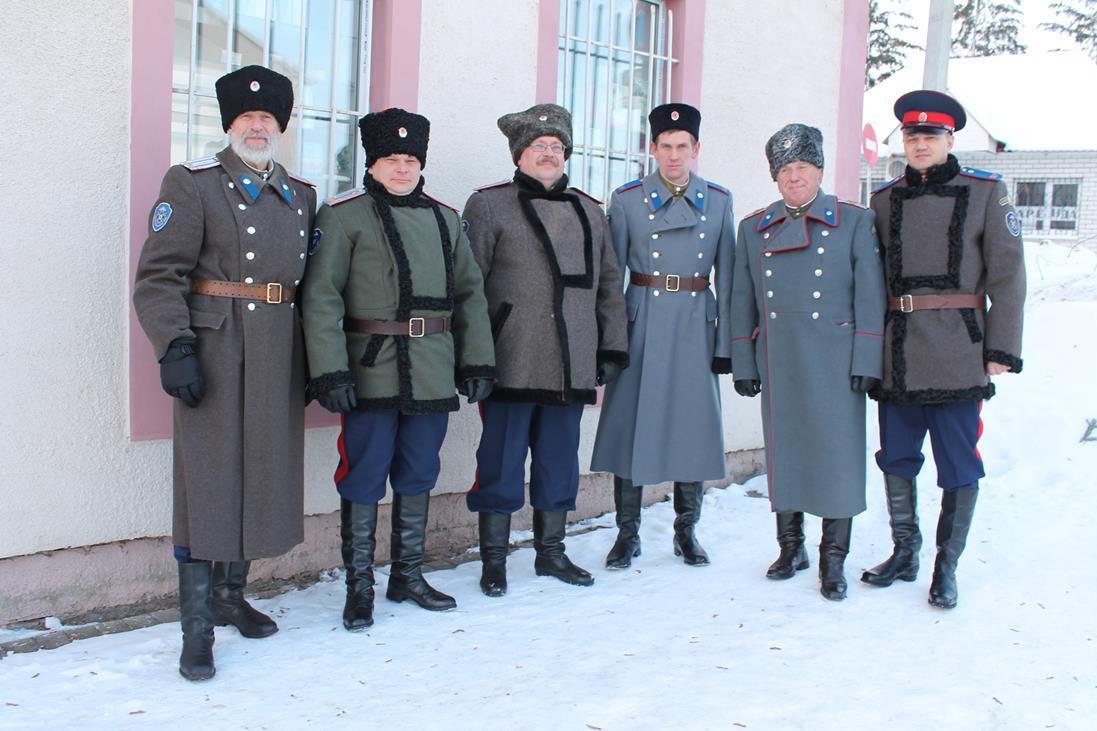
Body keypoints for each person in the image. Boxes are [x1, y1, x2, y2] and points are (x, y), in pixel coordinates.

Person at [133, 65, 316, 680]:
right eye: (246, 117)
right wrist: (174, 346)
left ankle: (230, 597)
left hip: (278, 352)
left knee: (261, 475)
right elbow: (159, 276)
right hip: (212, 350)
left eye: (267, 118)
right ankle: (196, 628)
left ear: (281, 127)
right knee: (206, 484)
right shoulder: (192, 183)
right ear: (229, 124)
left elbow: (312, 287)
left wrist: (317, 360)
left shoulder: (301, 194)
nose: (256, 126)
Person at [300, 108, 495, 629]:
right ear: (372, 163)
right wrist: (330, 371)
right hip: (371, 370)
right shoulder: (344, 216)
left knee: (419, 471)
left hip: (431, 368)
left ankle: (407, 574)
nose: (402, 168)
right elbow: (320, 298)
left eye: (410, 159)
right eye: (391, 159)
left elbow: (470, 295)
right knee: (364, 474)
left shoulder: (445, 219)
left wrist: (476, 360)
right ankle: (359, 585)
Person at [862, 90, 1025, 609]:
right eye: (912, 136)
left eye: (930, 136)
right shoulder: (882, 200)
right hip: (899, 350)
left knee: (958, 463)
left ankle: (946, 566)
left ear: (949, 139)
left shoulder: (986, 193)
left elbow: (1009, 277)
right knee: (896, 457)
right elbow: (869, 281)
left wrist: (1002, 348)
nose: (920, 144)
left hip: (959, 348)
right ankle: (904, 552)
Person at [461, 103, 629, 596]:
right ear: (519, 154)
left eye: (557, 147)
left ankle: (551, 553)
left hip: (570, 361)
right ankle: (494, 560)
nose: (549, 154)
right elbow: (468, 288)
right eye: (539, 146)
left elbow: (609, 285)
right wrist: (473, 357)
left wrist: (610, 347)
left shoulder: (589, 210)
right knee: (500, 462)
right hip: (510, 358)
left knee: (559, 463)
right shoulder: (488, 205)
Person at [730, 123, 885, 601]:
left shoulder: (854, 220)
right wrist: (744, 362)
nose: (793, 176)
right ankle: (790, 547)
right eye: (784, 170)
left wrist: (867, 359)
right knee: (786, 452)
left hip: (837, 362)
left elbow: (871, 296)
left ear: (819, 170)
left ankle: (832, 560)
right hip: (779, 358)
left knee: (837, 458)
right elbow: (741, 299)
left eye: (801, 167)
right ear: (775, 178)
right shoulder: (753, 229)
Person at [590, 103, 735, 569]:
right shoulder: (627, 199)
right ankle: (627, 534)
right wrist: (611, 340)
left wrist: (726, 346)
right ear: (652, 149)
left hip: (695, 322)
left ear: (696, 149)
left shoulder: (719, 200)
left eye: (682, 146)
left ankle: (686, 532)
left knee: (693, 427)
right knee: (631, 426)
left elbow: (729, 277)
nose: (674, 155)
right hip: (642, 321)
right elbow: (611, 278)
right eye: (666, 146)